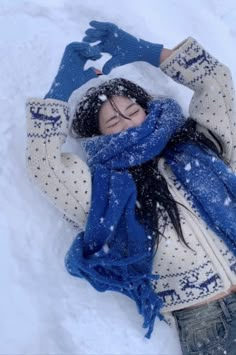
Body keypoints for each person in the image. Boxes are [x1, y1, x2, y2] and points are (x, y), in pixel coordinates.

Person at [26, 20, 236, 354]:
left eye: (132, 110)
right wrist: (58, 94)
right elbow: (45, 167)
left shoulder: (200, 144)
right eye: (112, 120)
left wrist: (149, 52)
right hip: (203, 316)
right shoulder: (105, 191)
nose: (126, 122)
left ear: (148, 108)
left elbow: (216, 81)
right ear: (99, 136)